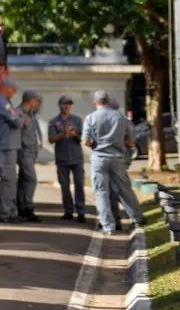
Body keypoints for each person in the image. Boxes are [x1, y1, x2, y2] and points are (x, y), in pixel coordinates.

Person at [82, 90, 144, 235]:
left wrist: (96, 144)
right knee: (124, 188)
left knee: (101, 192)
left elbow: (86, 141)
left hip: (99, 158)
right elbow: (129, 142)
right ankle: (137, 217)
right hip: (117, 158)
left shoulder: (91, 118)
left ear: (95, 102)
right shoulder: (120, 117)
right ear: (108, 101)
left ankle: (108, 226)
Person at [0, 77, 23, 223]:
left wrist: (18, 116)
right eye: (13, 91)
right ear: (8, 88)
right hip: (5, 145)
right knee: (8, 180)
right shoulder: (1, 102)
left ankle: (9, 212)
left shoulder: (5, 102)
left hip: (9, 145)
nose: (14, 94)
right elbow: (16, 121)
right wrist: (19, 118)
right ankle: (4, 213)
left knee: (10, 180)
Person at [48, 95, 86, 222]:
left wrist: (75, 134)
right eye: (65, 104)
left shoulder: (76, 120)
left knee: (79, 185)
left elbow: (84, 138)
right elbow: (51, 139)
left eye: (69, 104)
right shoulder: (53, 122)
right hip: (62, 158)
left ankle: (81, 212)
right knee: (64, 186)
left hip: (76, 158)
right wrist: (63, 134)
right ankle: (68, 211)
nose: (67, 106)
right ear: (60, 105)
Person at [17, 90, 43, 222]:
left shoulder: (31, 114)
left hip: (31, 151)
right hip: (24, 151)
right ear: (30, 100)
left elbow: (35, 130)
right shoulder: (19, 113)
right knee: (31, 179)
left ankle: (21, 208)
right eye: (36, 100)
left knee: (24, 179)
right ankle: (28, 208)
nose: (37, 103)